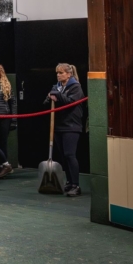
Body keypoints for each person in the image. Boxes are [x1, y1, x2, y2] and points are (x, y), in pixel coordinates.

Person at [45, 63, 85, 197]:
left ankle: (76, 185)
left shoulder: (76, 87)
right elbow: (46, 102)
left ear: (69, 74)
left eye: (61, 73)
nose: (58, 75)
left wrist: (57, 95)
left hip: (71, 126)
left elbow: (69, 102)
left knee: (70, 154)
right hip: (58, 125)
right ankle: (69, 182)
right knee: (62, 155)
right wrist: (51, 96)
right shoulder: (56, 87)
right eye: (57, 73)